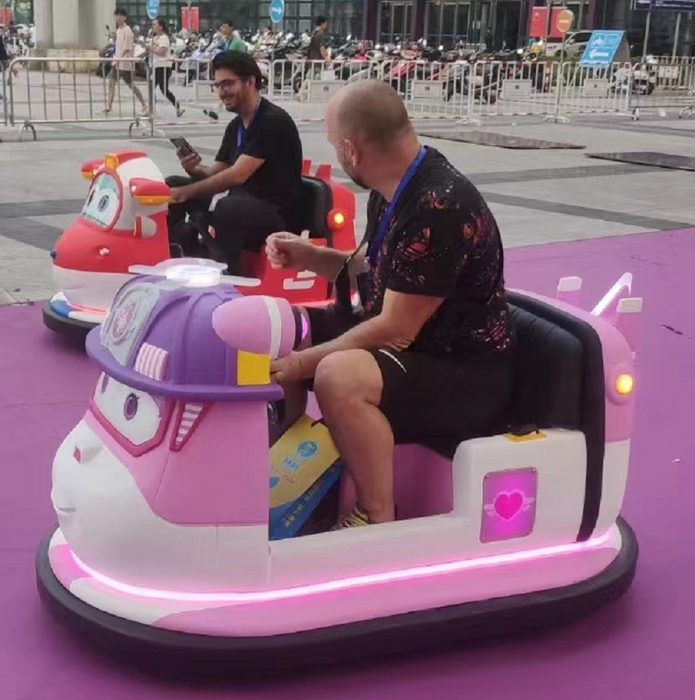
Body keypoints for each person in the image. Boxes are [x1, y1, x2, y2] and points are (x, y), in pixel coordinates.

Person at [266, 80, 516, 530]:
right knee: (281, 327)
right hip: (415, 348)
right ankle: (286, 474)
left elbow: (394, 328)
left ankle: (376, 514)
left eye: (333, 147)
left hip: (466, 374)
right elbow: (380, 267)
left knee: (335, 374)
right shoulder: (396, 186)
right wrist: (310, 255)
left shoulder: (438, 206)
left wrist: (301, 363)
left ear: (350, 150)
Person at [167, 51, 303, 275]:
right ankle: (180, 254)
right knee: (171, 184)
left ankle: (230, 274)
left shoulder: (272, 122)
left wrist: (186, 192)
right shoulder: (236, 126)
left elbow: (236, 175)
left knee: (227, 207)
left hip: (276, 212)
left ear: (251, 81)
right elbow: (216, 173)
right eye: (218, 85)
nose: (222, 92)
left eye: (228, 84)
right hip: (243, 202)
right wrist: (194, 171)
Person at [104, 7, 148, 116]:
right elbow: (118, 47)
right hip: (117, 62)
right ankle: (108, 107)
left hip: (125, 63)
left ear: (125, 17)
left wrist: (120, 58)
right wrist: (115, 59)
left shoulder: (128, 30)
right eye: (116, 15)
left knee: (131, 85)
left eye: (120, 15)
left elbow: (127, 47)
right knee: (111, 83)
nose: (118, 17)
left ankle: (144, 104)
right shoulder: (118, 30)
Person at [148, 17, 184, 118]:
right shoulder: (155, 38)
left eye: (155, 25)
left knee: (154, 88)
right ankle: (177, 107)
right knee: (162, 89)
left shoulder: (164, 38)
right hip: (156, 66)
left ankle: (151, 110)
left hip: (163, 67)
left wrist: (151, 48)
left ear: (161, 27)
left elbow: (162, 52)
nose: (153, 27)